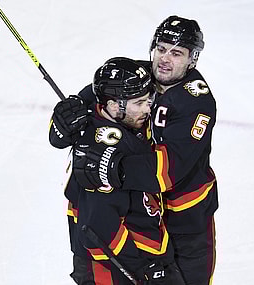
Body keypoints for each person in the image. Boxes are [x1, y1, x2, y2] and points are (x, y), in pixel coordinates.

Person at [50, 16, 218, 285]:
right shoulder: (132, 79)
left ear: (192, 59)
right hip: (139, 216)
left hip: (185, 218)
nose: (165, 59)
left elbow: (166, 171)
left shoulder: (196, 102)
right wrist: (61, 125)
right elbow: (84, 108)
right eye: (161, 49)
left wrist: (110, 167)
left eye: (176, 53)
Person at [58, 57, 186, 285]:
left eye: (149, 100)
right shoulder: (99, 157)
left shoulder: (125, 125)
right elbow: (99, 227)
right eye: (139, 103)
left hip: (148, 254)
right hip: (112, 269)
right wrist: (142, 269)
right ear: (114, 105)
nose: (148, 108)